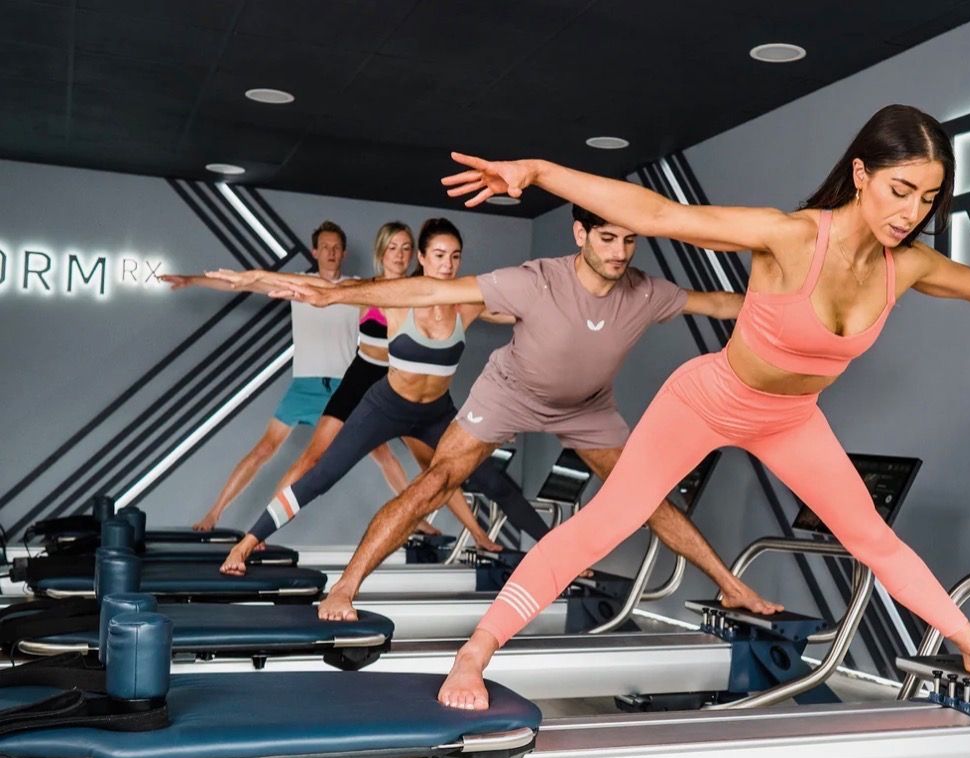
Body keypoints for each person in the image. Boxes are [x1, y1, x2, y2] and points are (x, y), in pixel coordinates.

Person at [423, 103, 970, 709]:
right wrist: (539, 172)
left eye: (927, 199)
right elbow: (662, 215)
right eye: (900, 189)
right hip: (709, 399)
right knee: (608, 522)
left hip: (791, 420)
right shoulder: (791, 236)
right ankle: (477, 651)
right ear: (861, 175)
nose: (911, 212)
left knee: (874, 540)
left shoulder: (904, 265)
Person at [252, 208, 783, 623]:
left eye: (628, 240)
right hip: (509, 393)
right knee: (437, 480)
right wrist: (336, 293)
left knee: (645, 494)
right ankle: (347, 585)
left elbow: (717, 304)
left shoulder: (646, 292)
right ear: (580, 234)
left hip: (587, 409)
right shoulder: (535, 280)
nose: (619, 252)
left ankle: (731, 585)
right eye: (606, 238)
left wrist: (794, 304)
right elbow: (430, 288)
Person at [209, 218, 550, 574]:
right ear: (422, 256)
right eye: (438, 255)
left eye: (455, 257)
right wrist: (254, 279)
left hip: (437, 414)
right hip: (387, 406)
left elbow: (527, 312)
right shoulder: (397, 294)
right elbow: (328, 290)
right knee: (322, 474)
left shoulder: (469, 302)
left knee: (493, 481)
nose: (447, 265)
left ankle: (555, 553)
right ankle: (247, 543)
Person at [164, 221, 400, 531]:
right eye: (325, 247)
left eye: (336, 247)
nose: (330, 252)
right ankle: (213, 514)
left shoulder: (356, 289)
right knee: (264, 449)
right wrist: (191, 279)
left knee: (381, 451)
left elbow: (401, 301)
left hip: (345, 387)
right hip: (304, 385)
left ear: (343, 252)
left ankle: (417, 518)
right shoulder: (297, 284)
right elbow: (244, 284)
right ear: (315, 251)